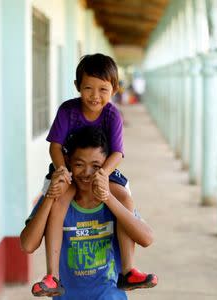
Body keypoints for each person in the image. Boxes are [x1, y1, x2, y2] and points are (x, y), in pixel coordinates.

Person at [29, 53, 157, 296]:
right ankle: (53, 275)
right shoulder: (68, 110)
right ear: (77, 86)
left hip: (104, 168)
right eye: (88, 88)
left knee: (123, 199)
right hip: (66, 167)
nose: (95, 96)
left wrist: (103, 175)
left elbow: (118, 152)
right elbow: (55, 146)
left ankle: (128, 271)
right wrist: (62, 170)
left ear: (115, 89)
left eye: (103, 89)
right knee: (58, 201)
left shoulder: (112, 115)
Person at [20, 126, 157, 299]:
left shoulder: (116, 197)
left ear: (107, 164)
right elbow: (28, 245)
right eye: (79, 165)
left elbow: (147, 238)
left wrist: (107, 198)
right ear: (68, 161)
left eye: (96, 166)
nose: (87, 173)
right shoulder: (57, 200)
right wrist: (50, 196)